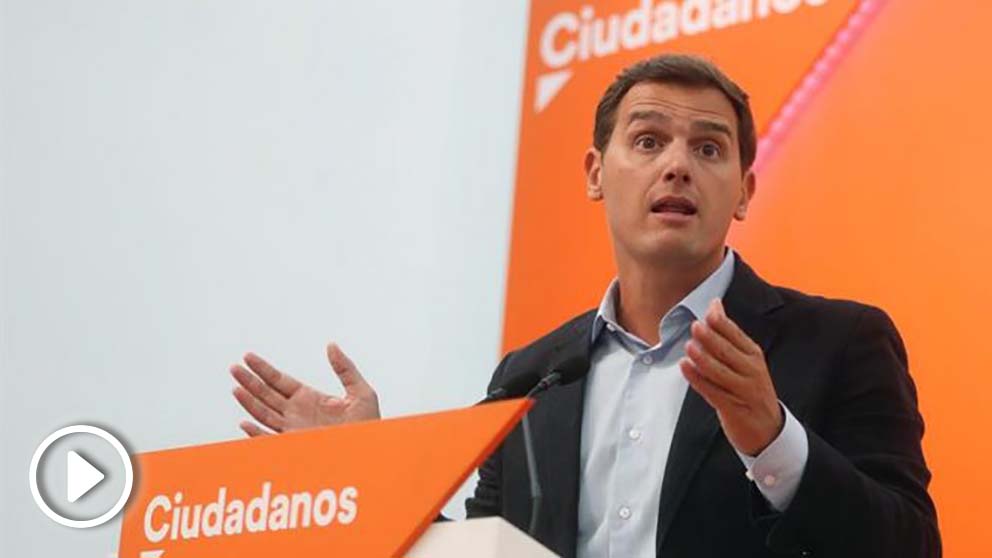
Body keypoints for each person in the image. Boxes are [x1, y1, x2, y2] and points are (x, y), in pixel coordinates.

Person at [227, 54, 940, 557]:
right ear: (597, 173)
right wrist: (365, 473)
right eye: (649, 141)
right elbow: (485, 551)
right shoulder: (530, 376)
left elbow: (910, 546)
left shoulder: (838, 342)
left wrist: (773, 439)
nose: (677, 166)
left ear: (745, 191)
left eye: (709, 149)